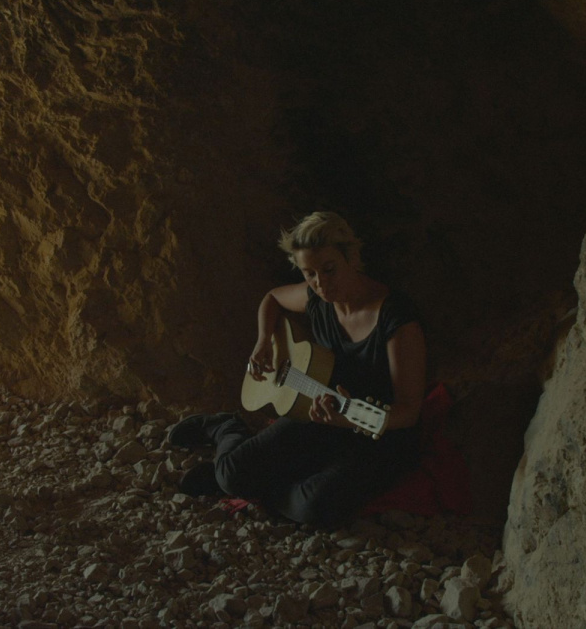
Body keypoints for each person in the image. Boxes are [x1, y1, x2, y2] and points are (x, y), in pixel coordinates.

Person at [168, 211, 428, 528]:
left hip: (377, 434)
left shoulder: (395, 318)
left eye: (329, 270)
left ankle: (257, 483)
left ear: (351, 258)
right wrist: (263, 342)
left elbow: (409, 411)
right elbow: (272, 299)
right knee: (232, 474)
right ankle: (226, 428)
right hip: (321, 414)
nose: (320, 283)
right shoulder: (315, 299)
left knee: (315, 508)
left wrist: (346, 419)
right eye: (310, 274)